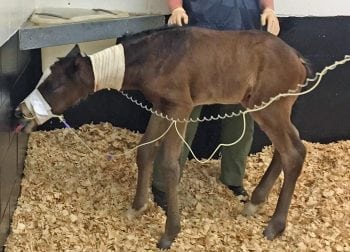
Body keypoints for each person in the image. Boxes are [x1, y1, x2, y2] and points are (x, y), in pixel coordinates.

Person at [152, 0, 280, 210]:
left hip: (243, 37)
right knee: (184, 109)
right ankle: (164, 183)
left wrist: (269, 9)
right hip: (201, 37)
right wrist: (176, 7)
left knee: (240, 111)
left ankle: (233, 177)